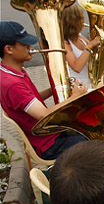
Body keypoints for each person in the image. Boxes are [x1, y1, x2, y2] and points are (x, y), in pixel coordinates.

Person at [0, 21, 86, 160]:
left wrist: (53, 89)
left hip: (50, 135)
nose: (30, 47)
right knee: (99, 144)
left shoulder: (11, 71)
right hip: (49, 145)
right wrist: (74, 97)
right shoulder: (13, 84)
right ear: (9, 49)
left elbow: (28, 101)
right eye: (24, 44)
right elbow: (43, 114)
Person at [62, 3, 101, 87]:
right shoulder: (65, 43)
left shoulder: (80, 37)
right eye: (80, 19)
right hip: (78, 86)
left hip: (91, 83)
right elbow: (77, 67)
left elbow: (94, 56)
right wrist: (90, 46)